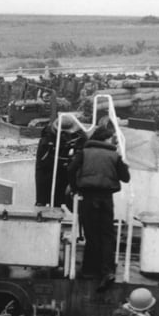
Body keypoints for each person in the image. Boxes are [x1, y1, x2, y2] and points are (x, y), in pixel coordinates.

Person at [67, 118, 130, 291]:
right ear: (105, 139)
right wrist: (123, 165)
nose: (112, 141)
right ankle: (107, 271)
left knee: (91, 233)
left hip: (88, 197)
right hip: (106, 198)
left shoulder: (84, 153)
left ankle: (89, 270)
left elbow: (71, 170)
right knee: (107, 235)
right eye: (110, 138)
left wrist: (75, 187)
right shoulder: (114, 155)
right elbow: (126, 178)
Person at [35, 118, 85, 208]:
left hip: (65, 174)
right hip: (48, 174)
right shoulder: (47, 138)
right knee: (45, 197)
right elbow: (44, 161)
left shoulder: (79, 135)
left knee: (62, 197)